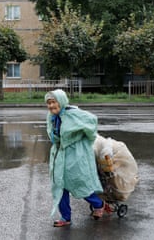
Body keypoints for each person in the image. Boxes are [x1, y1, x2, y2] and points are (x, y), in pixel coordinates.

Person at [45, 89, 105, 227]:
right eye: (48, 103)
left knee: (79, 183)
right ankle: (65, 217)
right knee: (59, 185)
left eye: (53, 102)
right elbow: (52, 134)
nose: (51, 106)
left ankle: (99, 204)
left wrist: (85, 141)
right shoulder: (51, 117)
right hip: (59, 154)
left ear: (61, 101)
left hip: (76, 154)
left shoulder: (74, 113)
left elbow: (92, 122)